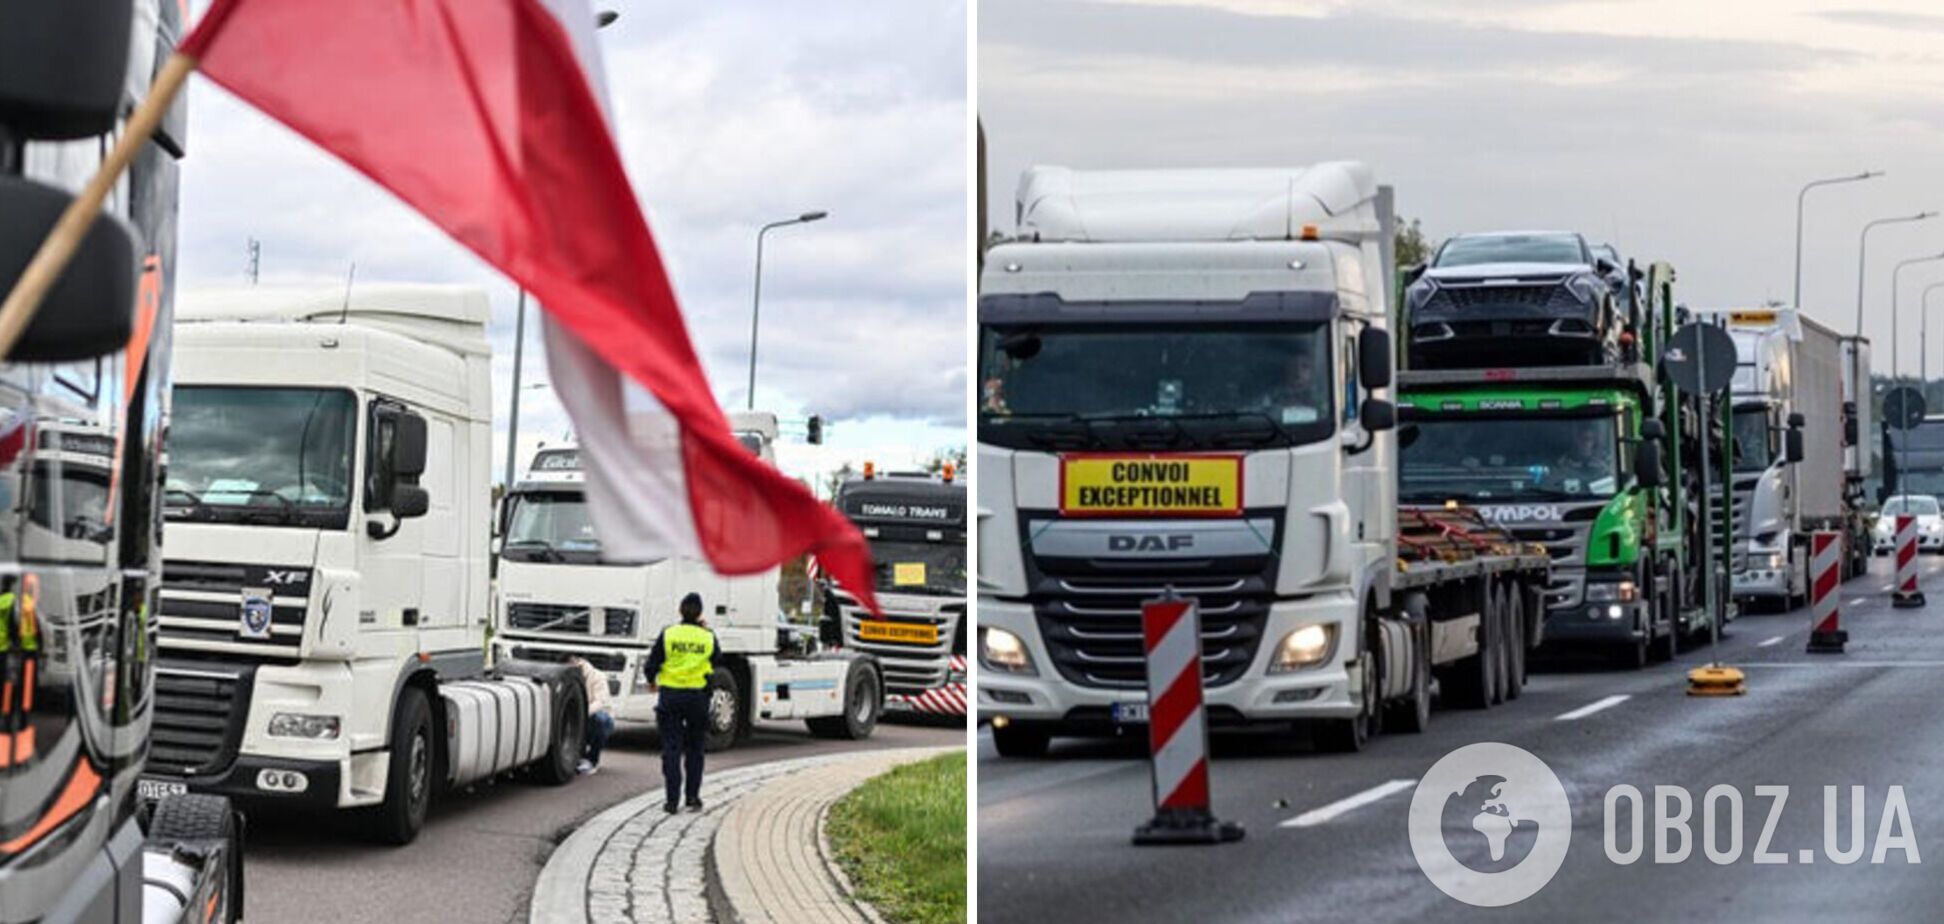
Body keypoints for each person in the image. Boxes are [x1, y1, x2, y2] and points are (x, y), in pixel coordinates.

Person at [644, 592, 718, 813]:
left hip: (671, 696)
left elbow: (652, 663)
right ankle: (693, 797)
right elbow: (717, 660)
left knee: (672, 748)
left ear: (680, 610)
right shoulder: (708, 636)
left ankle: (671, 800)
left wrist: (651, 681)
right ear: (700, 612)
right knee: (695, 748)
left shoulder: (668, 634)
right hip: (697, 697)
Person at [568, 656, 613, 775]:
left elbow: (600, 701)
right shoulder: (566, 675)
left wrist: (582, 714)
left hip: (591, 716)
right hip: (571, 716)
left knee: (601, 720)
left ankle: (591, 760)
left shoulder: (597, 676)